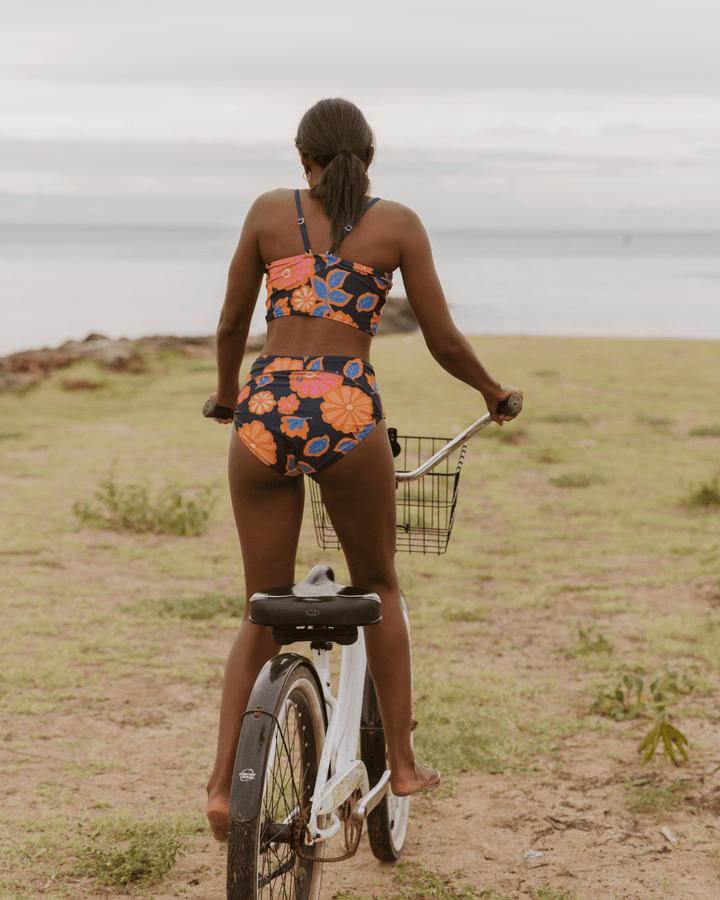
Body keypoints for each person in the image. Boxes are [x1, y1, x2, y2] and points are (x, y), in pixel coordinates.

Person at [204, 97, 522, 842]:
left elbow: (228, 325)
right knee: (378, 585)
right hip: (346, 413)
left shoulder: (265, 212)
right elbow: (440, 337)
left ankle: (222, 788)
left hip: (266, 410)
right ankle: (402, 764)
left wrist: (227, 399)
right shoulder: (398, 224)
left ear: (302, 157)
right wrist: (491, 392)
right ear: (369, 155)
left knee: (262, 602)